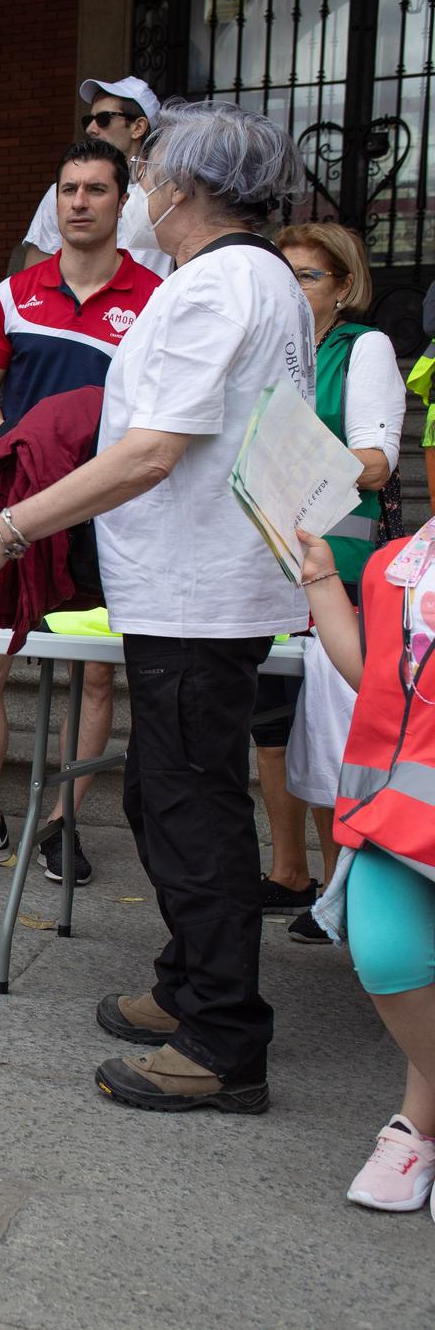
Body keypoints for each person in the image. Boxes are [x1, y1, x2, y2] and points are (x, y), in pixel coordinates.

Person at [0, 100, 312, 1113]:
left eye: (147, 171)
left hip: (199, 594)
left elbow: (151, 450)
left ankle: (223, 1041)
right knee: (166, 796)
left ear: (182, 189)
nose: (139, 186)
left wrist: (5, 529)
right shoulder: (242, 280)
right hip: (189, 589)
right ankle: (188, 986)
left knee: (188, 810)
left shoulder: (217, 285)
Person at [0, 139, 161, 883]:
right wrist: (26, 450)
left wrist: (85, 470)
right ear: (55, 200)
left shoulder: (157, 297)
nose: (81, 201)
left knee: (94, 678)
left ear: (123, 202)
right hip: (16, 510)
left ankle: (62, 823)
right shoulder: (14, 294)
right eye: (69, 189)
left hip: (110, 516)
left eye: (97, 188)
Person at [267, 221, 405, 939]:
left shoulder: (364, 349)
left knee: (334, 733)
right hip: (267, 570)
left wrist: (282, 466)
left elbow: (376, 461)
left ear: (344, 287)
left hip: (338, 575)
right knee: (270, 724)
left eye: (307, 276)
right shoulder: (269, 348)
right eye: (281, 273)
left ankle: (342, 890)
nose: (290, 288)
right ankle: (292, 871)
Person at [294, 521, 435, 1213]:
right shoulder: (396, 563)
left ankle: (419, 1123)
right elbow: (376, 673)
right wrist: (322, 579)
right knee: (387, 956)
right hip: (399, 814)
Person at [22, 76, 173, 278]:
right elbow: (33, 279)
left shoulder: (169, 192)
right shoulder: (65, 191)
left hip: (149, 306)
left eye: (103, 119)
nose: (90, 129)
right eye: (89, 119)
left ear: (138, 127)